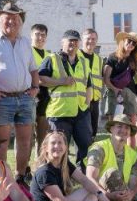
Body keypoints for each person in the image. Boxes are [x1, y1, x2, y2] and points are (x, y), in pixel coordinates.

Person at [0, 2, 41, 183]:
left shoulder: (25, 42)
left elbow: (33, 69)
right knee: (1, 142)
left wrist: (35, 88)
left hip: (25, 98)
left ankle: (20, 176)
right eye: (7, 18)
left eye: (15, 18)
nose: (11, 22)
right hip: (1, 99)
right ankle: (1, 177)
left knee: (25, 141)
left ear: (20, 22)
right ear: (0, 20)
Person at [30, 131, 114, 201]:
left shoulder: (65, 165)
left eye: (60, 143)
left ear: (65, 147)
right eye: (53, 143)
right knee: (89, 191)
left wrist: (101, 195)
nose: (57, 146)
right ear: (45, 148)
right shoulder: (44, 172)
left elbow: (84, 180)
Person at [38, 29, 92, 164]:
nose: (73, 43)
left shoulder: (84, 62)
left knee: (86, 146)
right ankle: (57, 176)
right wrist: (61, 82)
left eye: (75, 40)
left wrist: (87, 102)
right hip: (59, 112)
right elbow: (40, 79)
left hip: (81, 112)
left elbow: (88, 85)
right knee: (58, 149)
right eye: (70, 40)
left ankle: (83, 176)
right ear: (62, 42)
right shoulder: (52, 59)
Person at [103, 32, 137, 145]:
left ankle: (131, 152)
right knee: (113, 123)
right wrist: (115, 90)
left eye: (134, 43)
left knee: (131, 124)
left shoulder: (135, 60)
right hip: (113, 93)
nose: (131, 44)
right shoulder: (112, 57)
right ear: (123, 41)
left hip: (130, 93)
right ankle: (113, 150)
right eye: (129, 41)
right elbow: (106, 79)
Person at [30, 23, 51, 168]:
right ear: (32, 35)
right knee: (27, 137)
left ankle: (40, 165)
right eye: (37, 34)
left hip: (45, 97)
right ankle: (24, 168)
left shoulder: (50, 55)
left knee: (43, 135)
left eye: (43, 35)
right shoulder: (27, 51)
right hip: (30, 95)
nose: (40, 37)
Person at [79, 28, 104, 139]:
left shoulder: (99, 59)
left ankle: (91, 153)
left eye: (93, 39)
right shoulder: (76, 56)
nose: (91, 41)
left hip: (95, 100)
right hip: (80, 100)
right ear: (82, 40)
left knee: (93, 131)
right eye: (88, 39)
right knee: (81, 131)